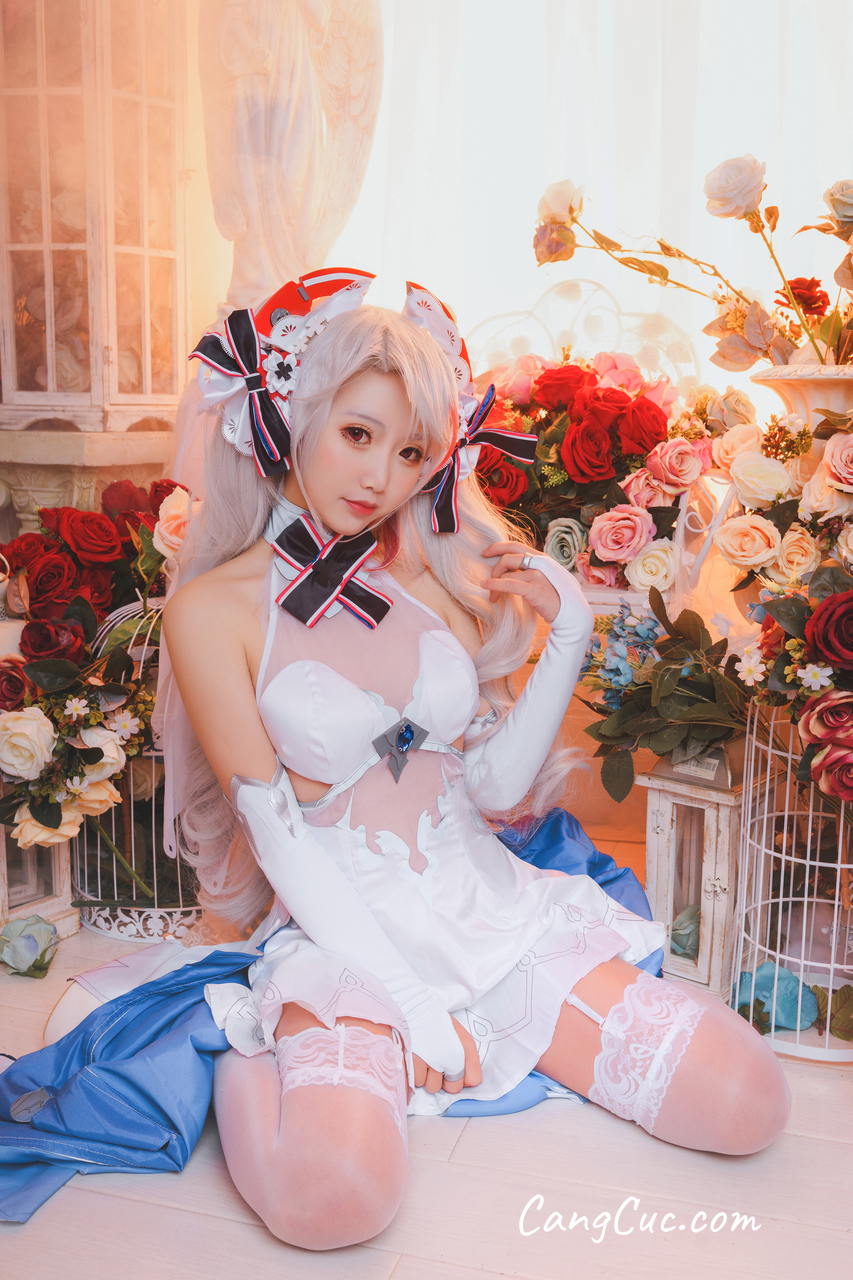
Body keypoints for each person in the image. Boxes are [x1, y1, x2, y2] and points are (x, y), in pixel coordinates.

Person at [42, 270, 790, 1251]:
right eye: (357, 433)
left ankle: (479, 1034)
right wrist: (411, 1006)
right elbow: (281, 837)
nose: (379, 478)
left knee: (748, 1100)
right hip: (345, 936)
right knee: (334, 1202)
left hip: (491, 912)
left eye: (409, 452)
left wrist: (566, 633)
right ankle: (242, 1044)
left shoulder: (433, 579)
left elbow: (491, 786)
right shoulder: (212, 609)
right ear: (288, 416)